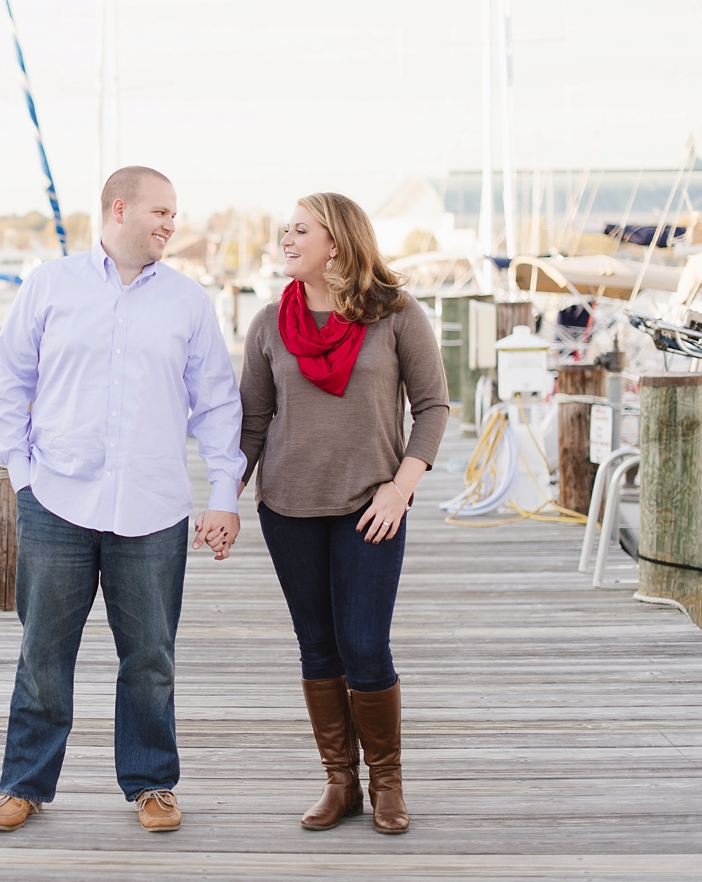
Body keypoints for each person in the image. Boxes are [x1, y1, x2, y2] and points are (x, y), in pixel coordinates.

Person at [0, 166, 247, 834]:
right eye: (160, 212)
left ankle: (151, 782)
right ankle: (23, 785)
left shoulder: (187, 302)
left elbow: (217, 404)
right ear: (118, 209)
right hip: (56, 499)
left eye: (173, 214)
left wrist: (223, 496)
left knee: (151, 658)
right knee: (42, 654)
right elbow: (9, 381)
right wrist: (20, 474)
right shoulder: (49, 284)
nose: (170, 224)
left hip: (153, 508)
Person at [238, 193, 448, 835]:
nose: (287, 237)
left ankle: (387, 783)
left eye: (301, 228)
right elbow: (253, 422)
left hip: (371, 507)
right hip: (289, 507)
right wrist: (226, 498)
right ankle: (341, 783)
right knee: (317, 647)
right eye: (286, 228)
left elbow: (434, 407)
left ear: (338, 241)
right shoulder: (270, 323)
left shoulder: (397, 315)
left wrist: (401, 488)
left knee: (365, 645)